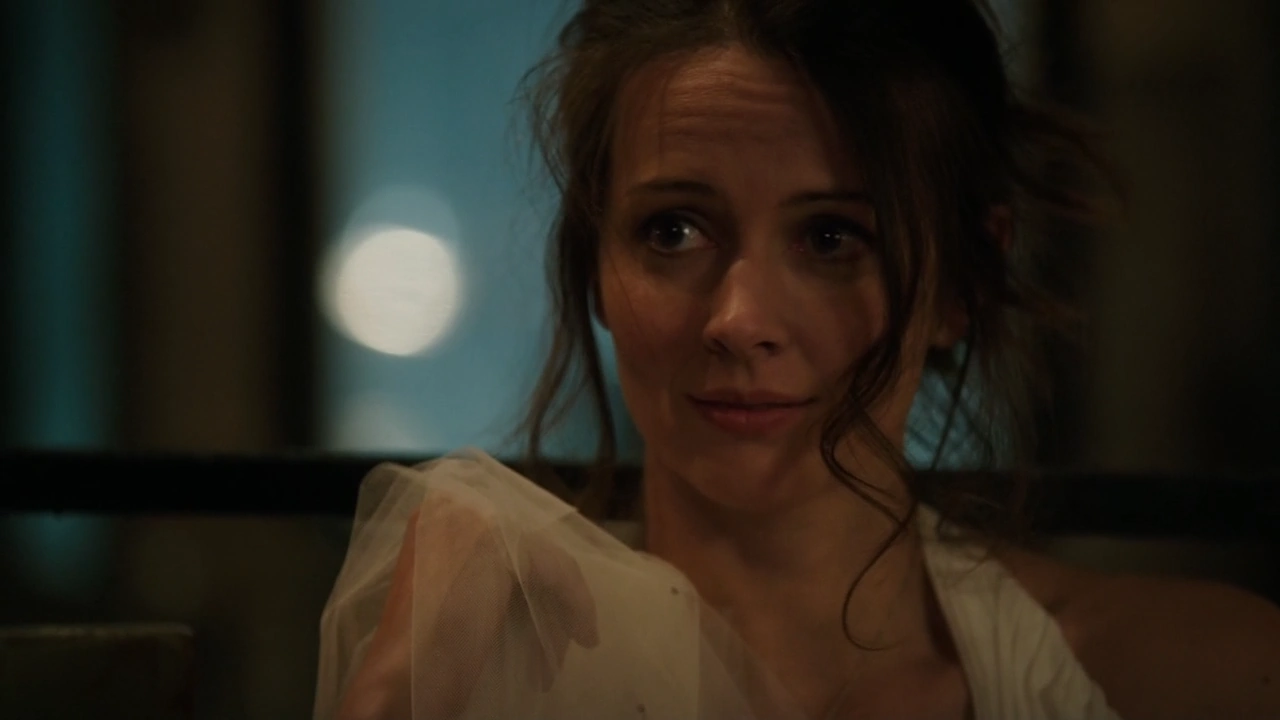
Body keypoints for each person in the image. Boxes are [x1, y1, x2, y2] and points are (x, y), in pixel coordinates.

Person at [314, 0, 1280, 718]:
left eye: (830, 238)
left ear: (963, 280)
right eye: (673, 230)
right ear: (593, 267)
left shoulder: (1192, 678)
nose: (739, 321)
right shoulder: (484, 661)